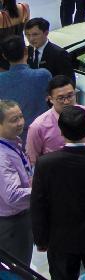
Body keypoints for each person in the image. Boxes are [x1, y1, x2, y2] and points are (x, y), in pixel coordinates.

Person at [31, 105, 85, 280]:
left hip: (60, 239)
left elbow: (39, 203)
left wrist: (40, 239)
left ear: (61, 132)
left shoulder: (46, 163)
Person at [25, 75, 85, 164]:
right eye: (61, 98)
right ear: (50, 99)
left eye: (70, 96)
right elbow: (33, 160)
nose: (67, 102)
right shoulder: (38, 126)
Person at [0, 100, 32, 266]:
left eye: (21, 116)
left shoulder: (13, 141)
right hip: (11, 224)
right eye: (14, 120)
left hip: (20, 217)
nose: (20, 122)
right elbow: (12, 196)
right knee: (17, 270)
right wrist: (41, 190)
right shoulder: (2, 156)